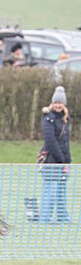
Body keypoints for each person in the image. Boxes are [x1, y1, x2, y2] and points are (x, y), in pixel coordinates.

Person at [38, 86, 72, 223]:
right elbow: (50, 141)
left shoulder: (65, 119)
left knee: (61, 190)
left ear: (64, 104)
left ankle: (62, 216)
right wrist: (62, 160)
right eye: (56, 102)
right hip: (51, 161)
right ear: (52, 103)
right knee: (50, 189)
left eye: (60, 103)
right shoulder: (48, 119)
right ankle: (45, 217)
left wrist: (68, 161)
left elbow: (65, 142)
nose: (58, 105)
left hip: (63, 161)